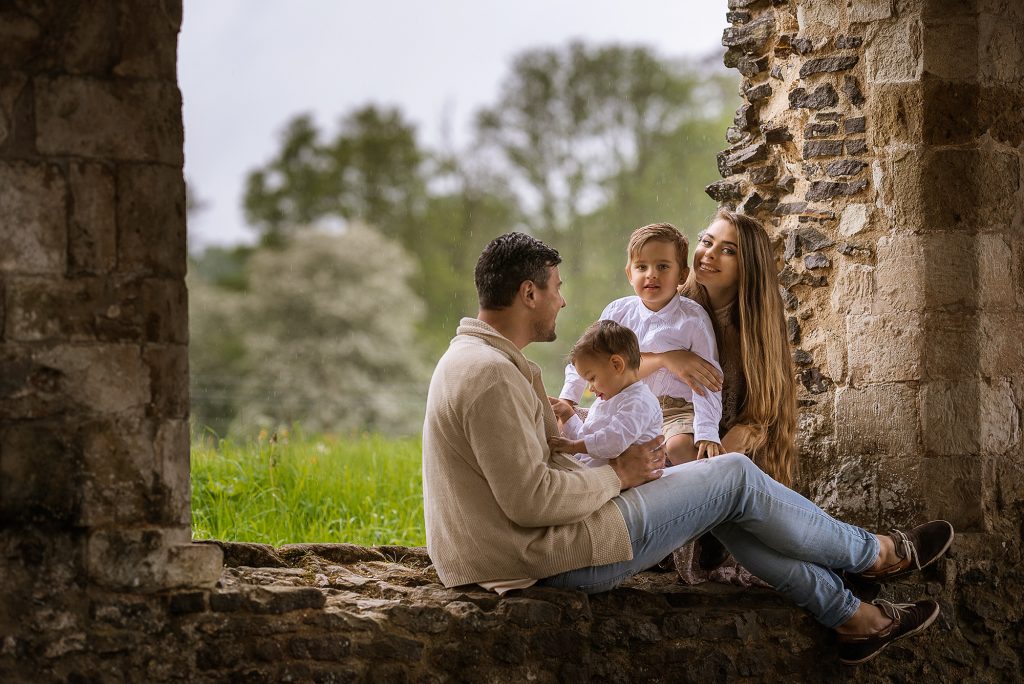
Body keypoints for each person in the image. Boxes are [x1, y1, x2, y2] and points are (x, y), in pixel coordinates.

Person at [422, 231, 954, 665]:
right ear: (528, 293)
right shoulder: (490, 375)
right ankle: (878, 554)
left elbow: (533, 469)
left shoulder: (480, 360)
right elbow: (530, 501)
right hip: (546, 556)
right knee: (733, 475)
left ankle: (856, 619)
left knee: (723, 498)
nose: (563, 299)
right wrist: (620, 474)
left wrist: (585, 435)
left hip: (527, 546)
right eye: (556, 288)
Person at [644, 209, 797, 486]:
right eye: (706, 242)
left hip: (720, 465)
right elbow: (619, 366)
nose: (709, 254)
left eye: (728, 250)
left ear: (748, 266)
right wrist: (667, 359)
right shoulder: (668, 309)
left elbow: (757, 419)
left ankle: (873, 534)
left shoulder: (757, 332)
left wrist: (715, 466)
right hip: (662, 448)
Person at [556, 223, 723, 466]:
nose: (651, 274)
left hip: (675, 410)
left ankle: (696, 495)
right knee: (609, 452)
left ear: (683, 275)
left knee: (680, 448)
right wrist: (568, 398)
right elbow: (586, 356)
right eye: (641, 267)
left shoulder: (693, 319)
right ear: (629, 273)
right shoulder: (618, 311)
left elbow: (708, 379)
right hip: (625, 405)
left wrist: (708, 431)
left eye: (663, 267)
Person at [547, 320, 663, 468]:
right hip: (597, 475)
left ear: (617, 365)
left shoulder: (640, 402)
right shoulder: (606, 401)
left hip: (629, 480)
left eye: (592, 378)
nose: (590, 388)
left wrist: (573, 446)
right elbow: (588, 439)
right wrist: (567, 415)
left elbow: (614, 442)